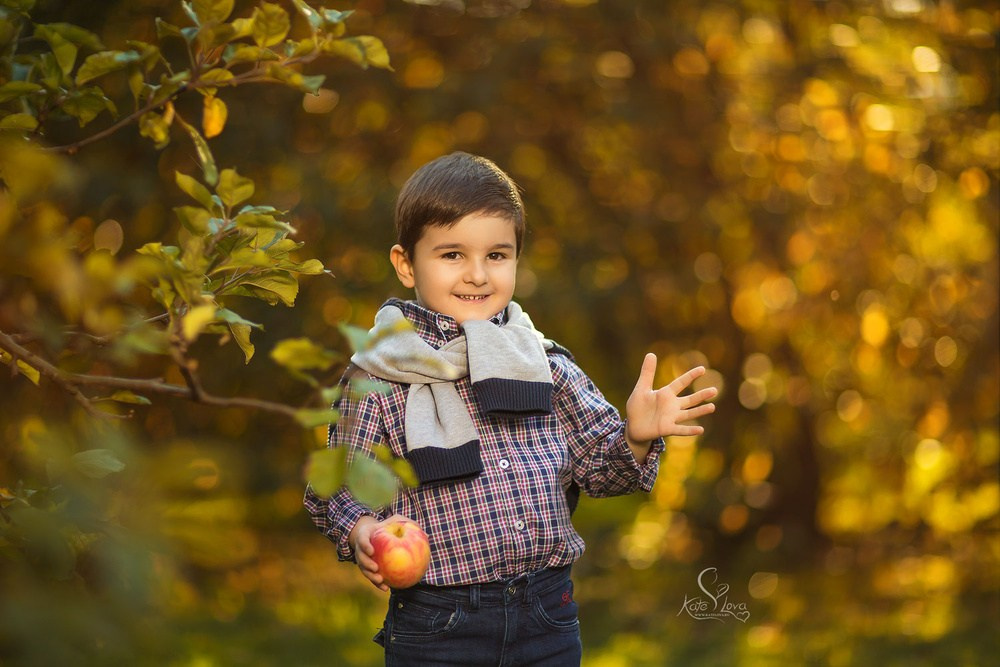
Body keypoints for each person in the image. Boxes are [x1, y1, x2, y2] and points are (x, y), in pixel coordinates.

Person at [304, 152, 717, 666]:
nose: (477, 275)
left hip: (547, 614)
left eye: (497, 255)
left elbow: (602, 474)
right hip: (439, 624)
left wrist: (634, 436)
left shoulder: (544, 364)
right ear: (406, 264)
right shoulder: (380, 377)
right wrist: (361, 529)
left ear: (516, 259)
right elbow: (333, 488)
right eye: (452, 255)